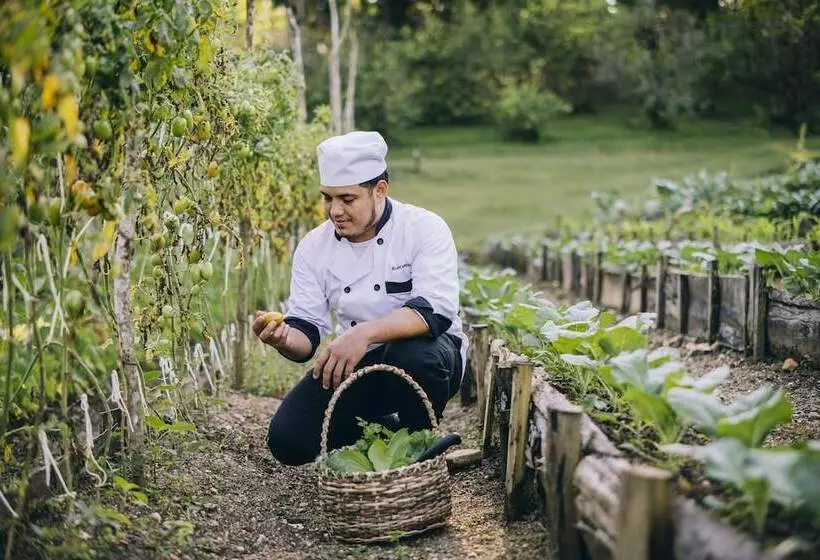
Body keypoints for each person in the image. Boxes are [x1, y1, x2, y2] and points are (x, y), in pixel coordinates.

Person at [254, 130, 467, 466]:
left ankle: (418, 440)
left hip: (428, 358)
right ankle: (384, 431)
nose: (334, 210)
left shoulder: (424, 228)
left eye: (347, 199)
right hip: (357, 365)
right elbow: (306, 332)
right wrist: (282, 338)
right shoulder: (314, 247)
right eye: (327, 198)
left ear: (379, 190)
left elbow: (435, 312)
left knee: (412, 353)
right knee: (289, 439)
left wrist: (361, 333)